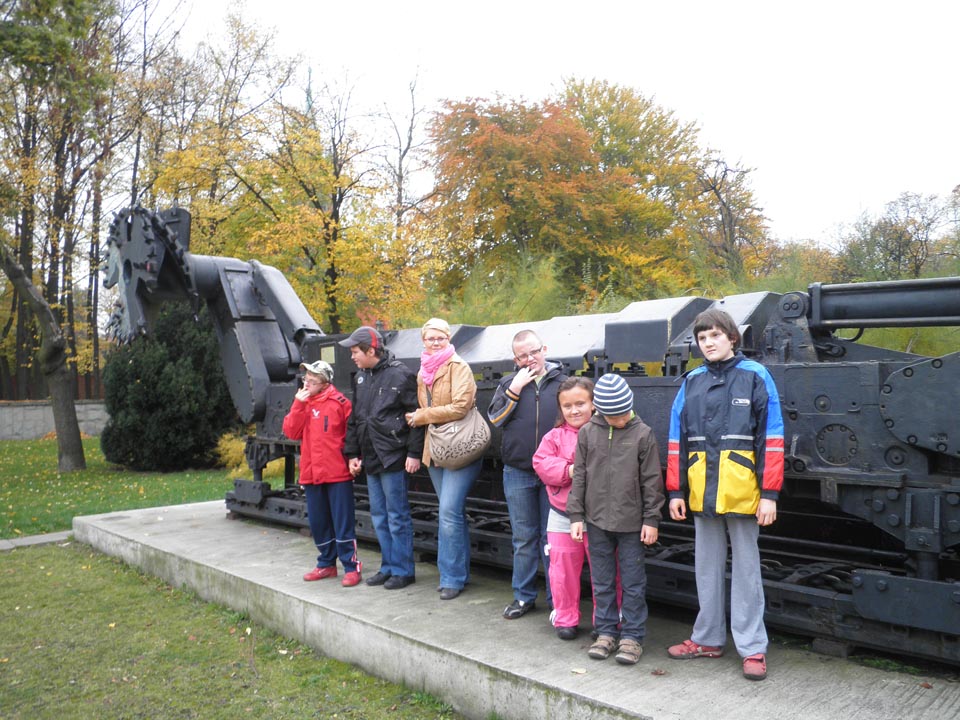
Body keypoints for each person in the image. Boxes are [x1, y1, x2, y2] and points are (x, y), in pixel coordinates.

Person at [665, 308, 784, 681]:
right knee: (707, 569)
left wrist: (769, 494)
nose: (708, 343)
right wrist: (675, 491)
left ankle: (752, 648)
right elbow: (676, 440)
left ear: (732, 337)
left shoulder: (755, 375)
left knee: (747, 572)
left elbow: (772, 437)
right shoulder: (691, 382)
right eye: (702, 338)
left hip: (744, 493)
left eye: (715, 335)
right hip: (702, 492)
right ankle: (707, 639)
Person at [567, 373, 665, 665]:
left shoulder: (643, 434)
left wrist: (651, 519)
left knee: (633, 583)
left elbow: (652, 480)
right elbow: (580, 476)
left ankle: (632, 637)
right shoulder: (587, 433)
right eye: (612, 416)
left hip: (632, 524)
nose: (619, 420)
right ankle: (606, 632)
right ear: (599, 411)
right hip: (596, 521)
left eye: (623, 414)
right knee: (602, 581)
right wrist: (576, 515)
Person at [488, 329, 566, 620]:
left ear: (544, 349)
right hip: (518, 471)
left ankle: (558, 600)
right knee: (523, 537)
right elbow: (496, 419)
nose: (530, 358)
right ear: (515, 359)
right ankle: (523, 596)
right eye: (523, 355)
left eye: (534, 352)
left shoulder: (563, 383)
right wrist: (515, 388)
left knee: (552, 538)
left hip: (554, 473)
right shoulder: (508, 383)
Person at [404, 318, 484, 601]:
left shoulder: (458, 366)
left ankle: (451, 577)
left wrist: (422, 416)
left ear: (448, 339)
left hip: (461, 447)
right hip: (437, 448)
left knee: (448, 512)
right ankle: (457, 573)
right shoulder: (423, 372)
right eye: (430, 338)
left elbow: (461, 406)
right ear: (423, 341)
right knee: (451, 513)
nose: (436, 342)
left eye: (440, 338)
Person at [341, 326, 423, 590]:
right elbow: (355, 419)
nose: (352, 356)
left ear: (370, 350)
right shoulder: (361, 377)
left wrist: (414, 453)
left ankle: (403, 571)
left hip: (392, 455)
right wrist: (353, 453)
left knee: (396, 516)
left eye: (355, 351)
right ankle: (388, 567)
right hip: (371, 456)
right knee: (379, 515)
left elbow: (416, 417)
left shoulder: (401, 375)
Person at [282, 360, 361, 587]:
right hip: (311, 473)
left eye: (312, 381)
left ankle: (351, 566)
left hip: (337, 473)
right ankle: (326, 564)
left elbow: (352, 436)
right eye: (305, 380)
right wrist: (298, 405)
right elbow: (290, 432)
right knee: (318, 522)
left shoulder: (340, 403)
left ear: (325, 383)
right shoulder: (303, 403)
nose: (306, 384)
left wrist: (354, 459)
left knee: (342, 522)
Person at [532, 376, 595, 640]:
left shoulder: (606, 432)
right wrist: (570, 470)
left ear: (593, 403)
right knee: (562, 570)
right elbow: (541, 463)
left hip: (599, 515)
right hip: (562, 514)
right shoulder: (554, 436)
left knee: (605, 571)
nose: (574, 410)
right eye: (567, 406)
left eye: (580, 403)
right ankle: (565, 618)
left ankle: (606, 618)